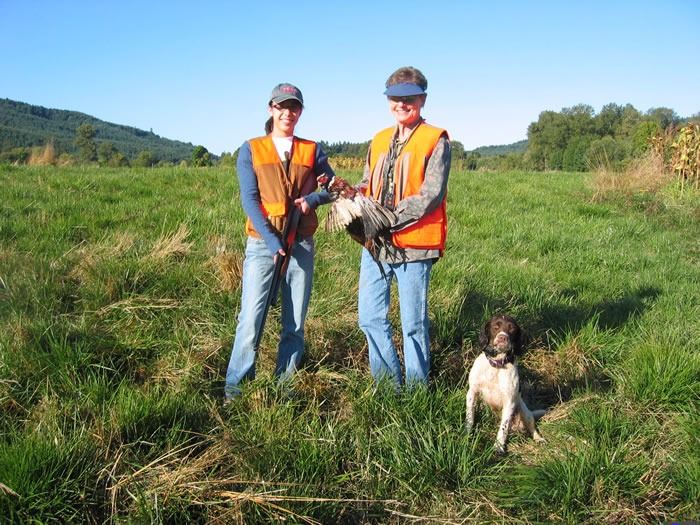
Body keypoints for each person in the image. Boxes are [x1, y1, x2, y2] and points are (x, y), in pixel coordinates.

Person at [224, 83, 335, 400]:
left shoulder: (312, 150)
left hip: (300, 244)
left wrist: (313, 199)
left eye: (294, 107)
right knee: (250, 319)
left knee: (295, 323)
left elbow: (332, 187)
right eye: (282, 106)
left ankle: (284, 390)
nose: (288, 112)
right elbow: (249, 200)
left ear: (300, 111)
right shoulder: (251, 149)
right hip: (263, 244)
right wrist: (273, 243)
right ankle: (236, 390)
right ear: (271, 109)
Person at [357, 66, 451, 388]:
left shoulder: (435, 140)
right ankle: (387, 387)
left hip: (414, 244)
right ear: (388, 101)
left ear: (422, 99)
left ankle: (416, 392)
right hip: (375, 244)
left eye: (409, 98)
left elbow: (431, 195)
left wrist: (387, 218)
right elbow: (367, 183)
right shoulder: (378, 139)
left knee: (413, 324)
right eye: (395, 98)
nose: (401, 104)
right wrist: (349, 194)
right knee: (369, 317)